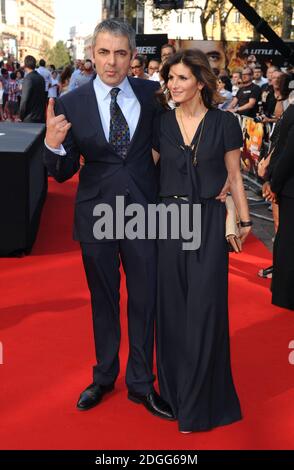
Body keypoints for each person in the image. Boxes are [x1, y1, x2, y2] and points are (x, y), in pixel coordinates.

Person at [43, 19, 174, 421]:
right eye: (104, 52)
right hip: (97, 213)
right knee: (103, 299)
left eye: (120, 53)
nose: (112, 62)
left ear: (133, 56)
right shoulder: (71, 103)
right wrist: (52, 142)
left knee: (145, 298)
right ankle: (103, 377)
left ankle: (141, 382)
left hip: (143, 212)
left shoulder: (153, 96)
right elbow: (62, 174)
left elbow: (170, 147)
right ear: (92, 54)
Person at [152, 48, 252, 433]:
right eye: (170, 78)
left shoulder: (225, 123)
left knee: (205, 312)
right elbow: (147, 171)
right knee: (174, 311)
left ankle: (199, 403)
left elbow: (235, 176)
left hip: (209, 223)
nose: (174, 85)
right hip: (168, 223)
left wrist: (243, 219)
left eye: (181, 78)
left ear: (200, 82)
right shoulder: (161, 123)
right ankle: (176, 396)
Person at [268, 104, 294, 310]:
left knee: (287, 241)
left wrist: (274, 183)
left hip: (289, 187)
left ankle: (286, 295)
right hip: (287, 186)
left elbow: (288, 153)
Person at [19, 55, 46, 123]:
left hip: (29, 117)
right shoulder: (41, 78)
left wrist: (21, 116)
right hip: (41, 117)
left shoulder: (28, 79)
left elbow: (24, 100)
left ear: (25, 66)